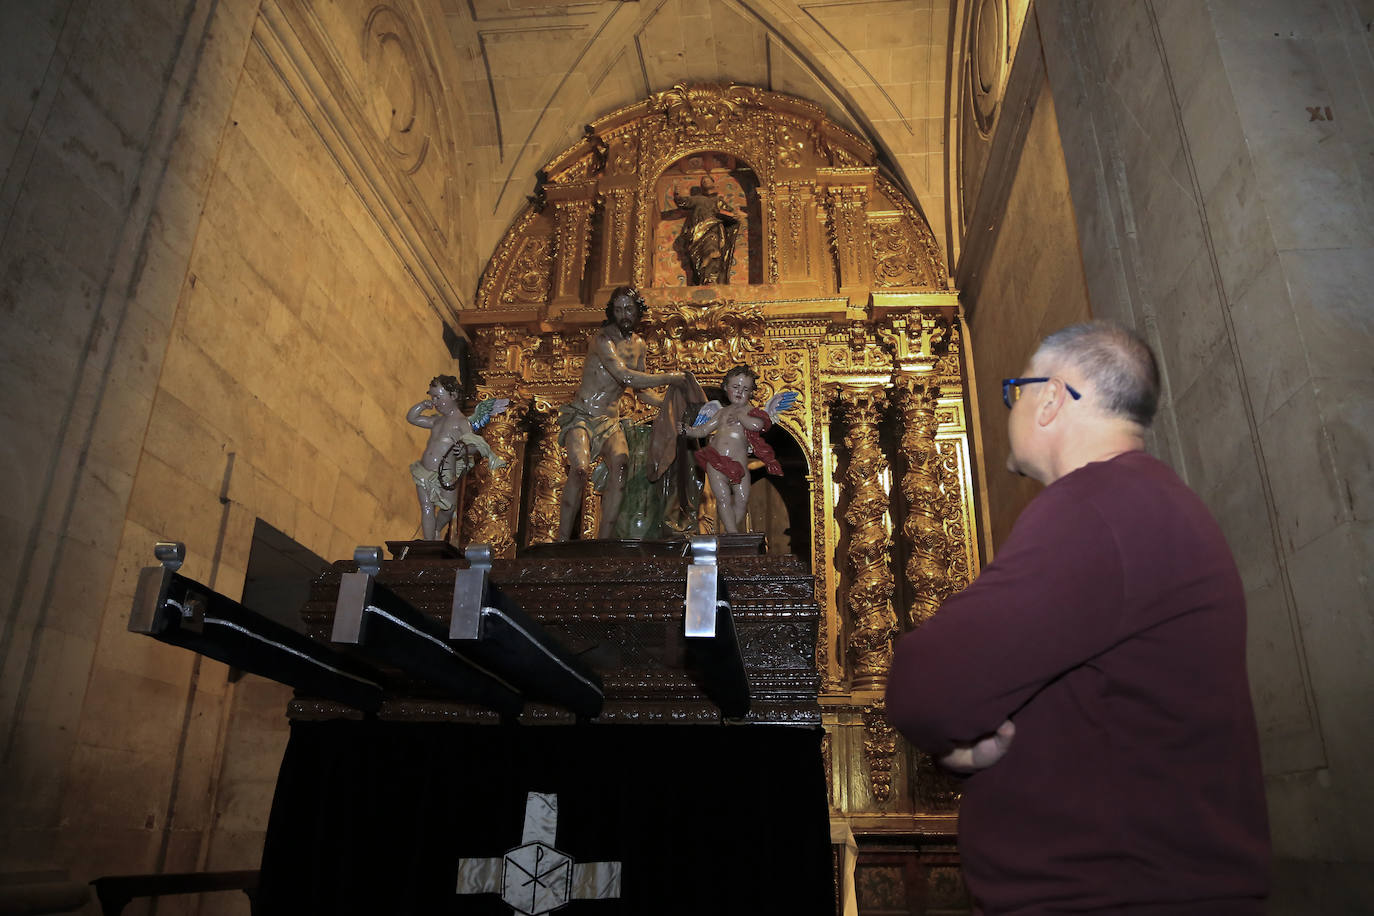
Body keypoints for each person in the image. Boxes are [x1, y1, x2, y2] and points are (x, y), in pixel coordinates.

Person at [885, 322, 1270, 914]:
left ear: (1050, 398)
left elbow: (924, 685)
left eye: (1015, 391)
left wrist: (962, 743)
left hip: (1112, 896)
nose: (1010, 408)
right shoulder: (1152, 501)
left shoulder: (1095, 507)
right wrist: (965, 741)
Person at [557, 286, 691, 540]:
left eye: (628, 309)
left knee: (621, 465)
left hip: (609, 420)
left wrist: (667, 403)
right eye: (618, 310)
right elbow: (624, 375)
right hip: (583, 416)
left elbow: (639, 392)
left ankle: (604, 540)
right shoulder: (601, 340)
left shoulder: (639, 345)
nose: (624, 315)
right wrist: (670, 377)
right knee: (580, 469)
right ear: (612, 312)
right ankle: (562, 539)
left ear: (638, 311)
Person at [680, 366, 783, 534]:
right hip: (716, 459)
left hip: (740, 464)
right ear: (725, 387)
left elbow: (758, 425)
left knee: (742, 499)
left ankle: (730, 531)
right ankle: (732, 533)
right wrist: (687, 430)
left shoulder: (750, 411)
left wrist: (742, 417)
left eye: (745, 389)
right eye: (735, 387)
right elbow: (703, 430)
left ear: (751, 392)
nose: (739, 392)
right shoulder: (721, 412)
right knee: (722, 498)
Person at [406, 374, 504, 541]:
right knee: (427, 507)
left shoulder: (461, 422)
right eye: (432, 397)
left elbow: (473, 445)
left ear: (453, 396)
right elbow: (412, 418)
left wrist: (464, 449)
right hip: (424, 470)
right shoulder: (436, 421)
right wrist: (422, 405)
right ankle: (429, 543)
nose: (435, 402)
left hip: (446, 473)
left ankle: (436, 528)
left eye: (438, 397)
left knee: (448, 508)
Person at [671, 175, 741, 285]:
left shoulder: (718, 201)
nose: (705, 182)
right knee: (698, 257)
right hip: (698, 231)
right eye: (703, 181)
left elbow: (733, 216)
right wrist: (676, 192)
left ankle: (710, 279)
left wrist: (726, 214)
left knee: (712, 251)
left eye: (707, 180)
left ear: (714, 184)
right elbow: (682, 202)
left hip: (713, 229)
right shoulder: (698, 199)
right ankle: (702, 278)